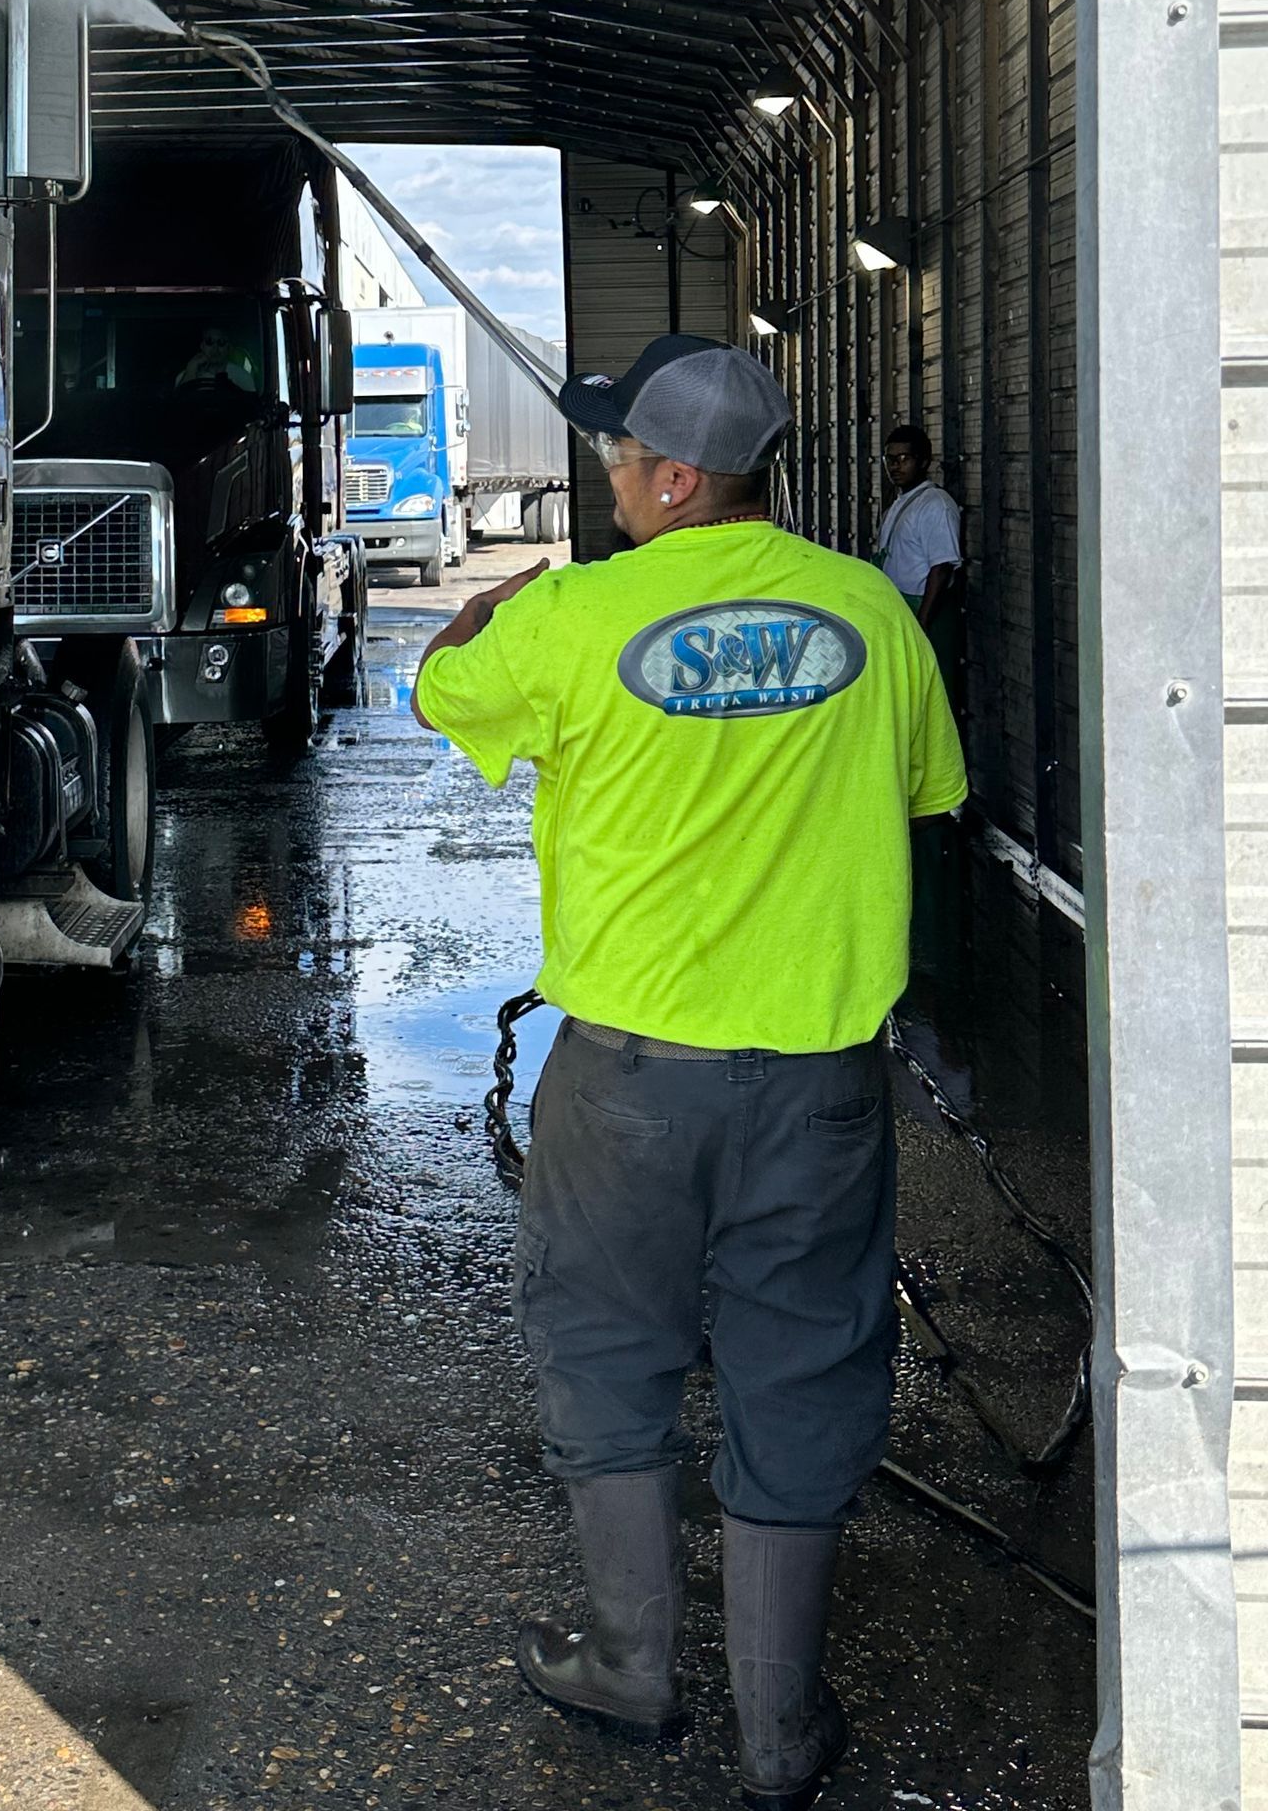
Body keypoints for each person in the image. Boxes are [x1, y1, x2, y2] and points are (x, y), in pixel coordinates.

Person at [413, 335, 966, 1811]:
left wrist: (485, 613)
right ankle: (781, 1731)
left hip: (631, 1082)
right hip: (820, 1081)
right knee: (807, 1360)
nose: (603, 483)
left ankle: (629, 1665)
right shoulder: (870, 611)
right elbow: (927, 794)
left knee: (606, 1345)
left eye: (614, 461)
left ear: (673, 476)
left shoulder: (574, 616)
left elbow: (435, 696)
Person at [871, 426, 961, 689]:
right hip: (901, 610)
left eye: (904, 459)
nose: (896, 466)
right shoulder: (897, 504)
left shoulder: (935, 505)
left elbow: (941, 568)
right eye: (890, 459)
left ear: (923, 462)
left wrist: (922, 624)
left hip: (928, 614)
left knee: (934, 688)